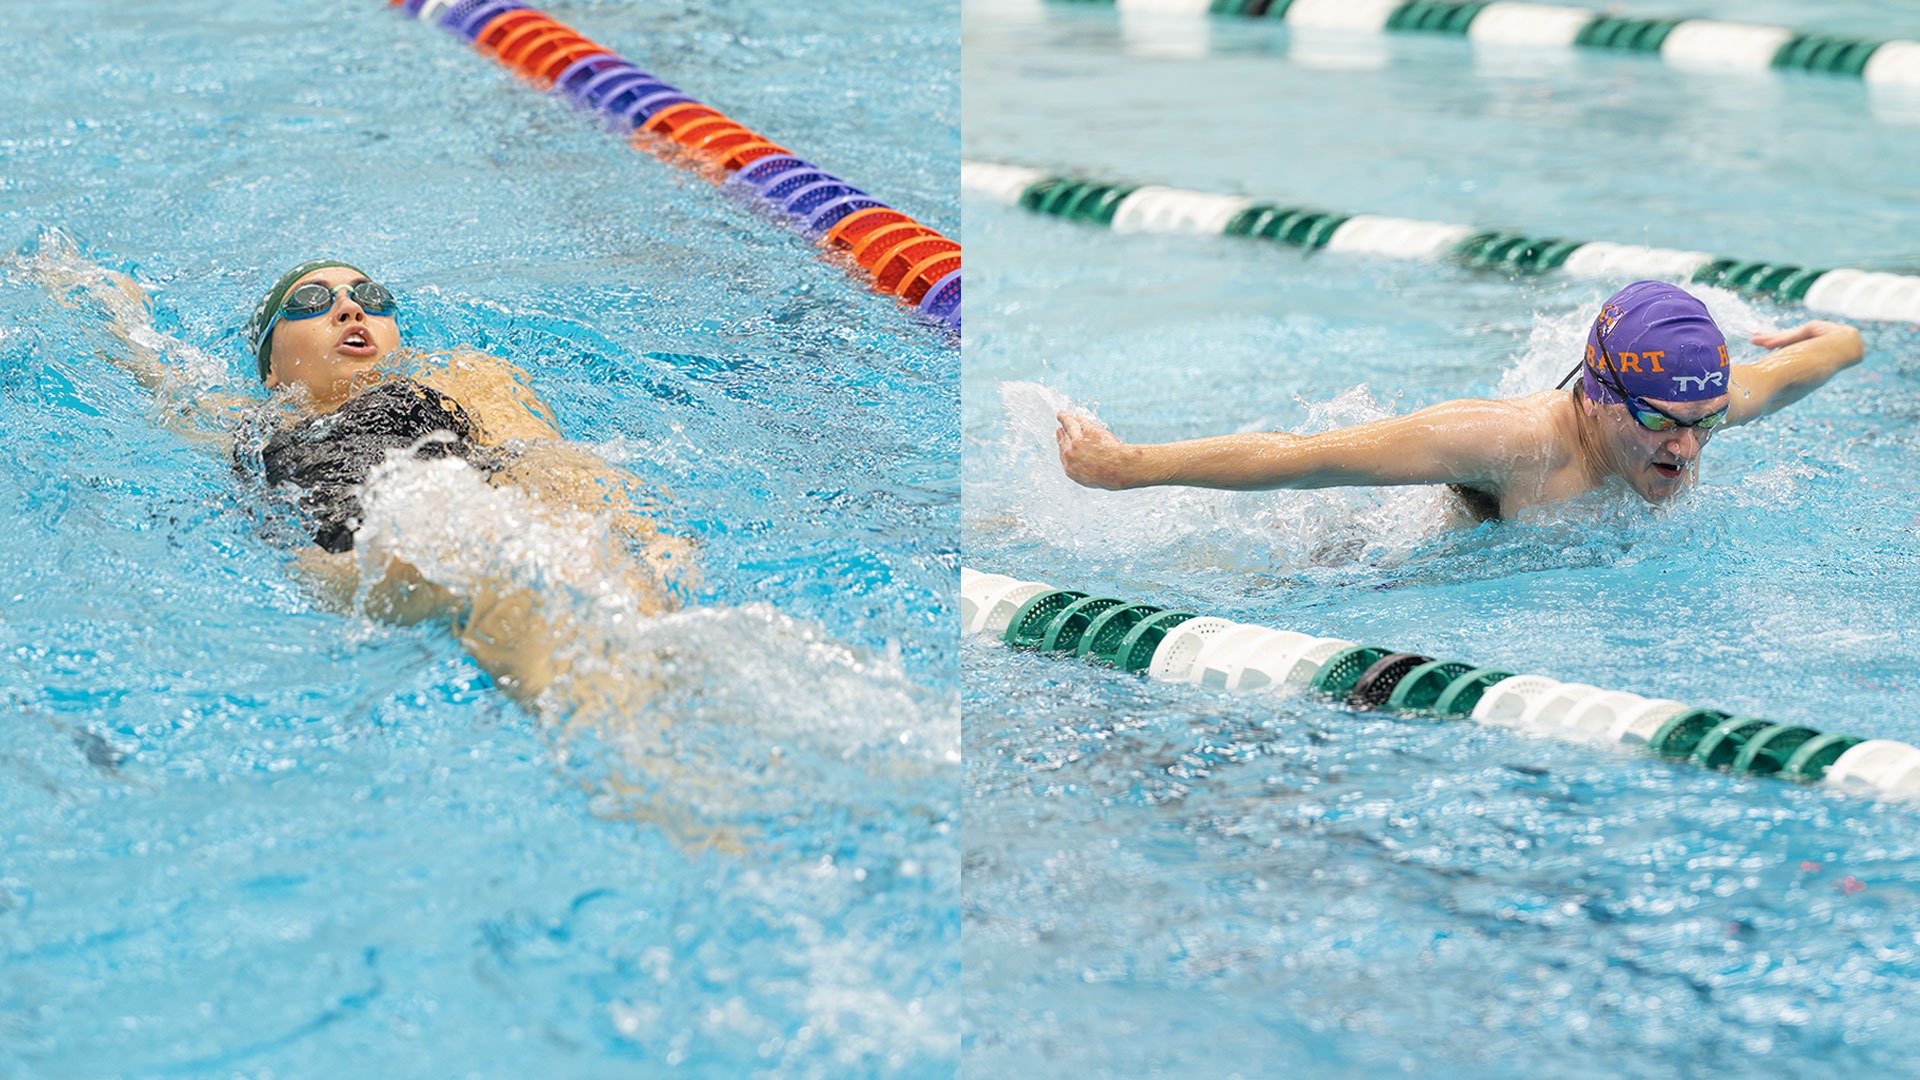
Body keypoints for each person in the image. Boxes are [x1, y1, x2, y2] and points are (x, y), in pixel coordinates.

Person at [33, 245, 691, 710]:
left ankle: (645, 705)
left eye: (369, 298)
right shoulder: (245, 417)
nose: (350, 309)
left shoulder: (460, 377)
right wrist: (83, 289)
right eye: (312, 302)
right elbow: (146, 362)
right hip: (351, 565)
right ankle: (624, 744)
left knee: (571, 588)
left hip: (462, 509)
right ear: (270, 365)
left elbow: (547, 461)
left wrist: (639, 530)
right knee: (508, 601)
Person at [1055, 280, 1864, 521]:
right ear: (1595, 392)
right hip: (1373, 566)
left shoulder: (1698, 403)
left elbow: (1822, 360)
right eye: (1660, 422)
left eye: (1704, 425)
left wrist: (1839, 337)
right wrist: (1126, 466)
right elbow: (1311, 458)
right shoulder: (1510, 444)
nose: (1686, 450)